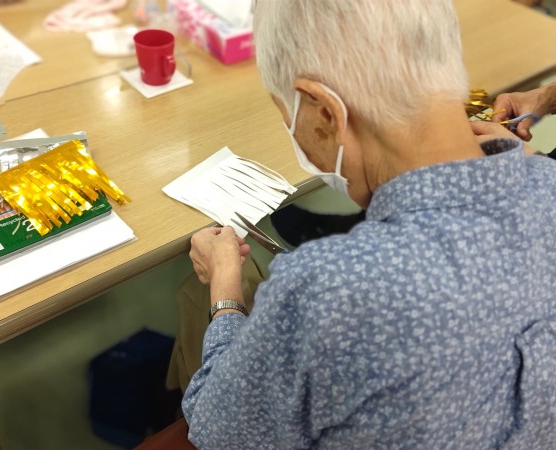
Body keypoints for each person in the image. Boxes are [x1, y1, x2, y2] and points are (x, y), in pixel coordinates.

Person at [181, 1, 556, 448]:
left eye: (289, 120)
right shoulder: (548, 183)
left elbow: (215, 431)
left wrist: (225, 290)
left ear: (324, 112)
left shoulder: (329, 289)